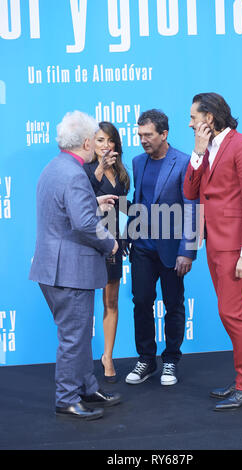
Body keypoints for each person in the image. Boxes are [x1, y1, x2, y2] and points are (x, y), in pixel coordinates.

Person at [29, 110, 122, 420]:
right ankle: (67, 398)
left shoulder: (56, 168)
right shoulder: (74, 174)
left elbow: (65, 210)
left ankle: (85, 387)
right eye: (94, 141)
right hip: (68, 271)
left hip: (56, 268)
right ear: (85, 142)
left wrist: (93, 202)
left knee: (79, 334)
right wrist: (111, 243)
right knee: (73, 336)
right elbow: (83, 223)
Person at [183, 93, 242, 411]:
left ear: (209, 118)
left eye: (193, 117)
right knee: (232, 313)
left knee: (233, 313)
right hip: (214, 244)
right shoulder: (207, 149)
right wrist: (198, 154)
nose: (189, 123)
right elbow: (189, 191)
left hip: (234, 246)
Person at [125, 109, 198, 386]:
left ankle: (170, 361)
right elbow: (137, 201)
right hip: (142, 246)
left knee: (173, 304)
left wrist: (187, 251)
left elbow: (192, 207)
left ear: (164, 134)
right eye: (140, 134)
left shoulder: (183, 162)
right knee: (141, 302)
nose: (143, 140)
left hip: (172, 250)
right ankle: (146, 359)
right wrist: (122, 235)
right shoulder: (137, 161)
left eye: (148, 135)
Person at [84, 122, 130, 383]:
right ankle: (80, 360)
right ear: (92, 143)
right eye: (100, 140)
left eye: (110, 140)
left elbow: (123, 209)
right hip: (90, 244)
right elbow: (81, 202)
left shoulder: (123, 174)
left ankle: (108, 356)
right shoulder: (86, 170)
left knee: (111, 302)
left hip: (113, 243)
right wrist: (100, 168)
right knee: (84, 305)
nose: (105, 145)